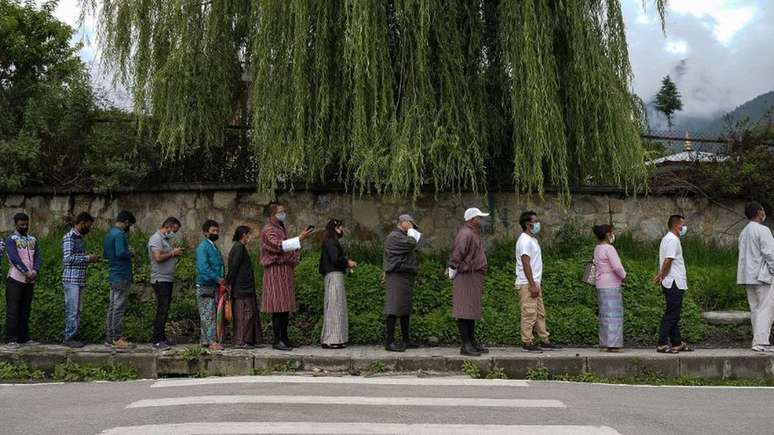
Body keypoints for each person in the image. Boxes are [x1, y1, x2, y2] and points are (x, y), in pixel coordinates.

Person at [260, 203, 314, 351]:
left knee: (285, 307)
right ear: (272, 214)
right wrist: (300, 238)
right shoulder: (268, 230)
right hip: (275, 271)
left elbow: (286, 247)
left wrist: (298, 242)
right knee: (277, 307)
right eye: (281, 211)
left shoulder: (280, 228)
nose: (283, 213)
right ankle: (277, 340)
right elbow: (278, 246)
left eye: (284, 211)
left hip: (284, 271)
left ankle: (284, 338)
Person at [516, 211, 561, 352]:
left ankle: (544, 339)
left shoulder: (532, 240)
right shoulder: (524, 241)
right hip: (528, 284)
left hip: (535, 283)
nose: (538, 223)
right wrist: (532, 285)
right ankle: (527, 342)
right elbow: (526, 263)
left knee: (540, 313)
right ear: (528, 224)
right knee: (529, 313)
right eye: (535, 221)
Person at [448, 208, 489, 356]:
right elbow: (458, 252)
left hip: (472, 274)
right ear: (472, 219)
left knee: (471, 310)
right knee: (464, 310)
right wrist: (452, 267)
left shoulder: (471, 232)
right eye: (478, 217)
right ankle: (466, 345)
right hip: (465, 274)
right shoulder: (465, 233)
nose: (480, 220)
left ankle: (471, 342)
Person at [737, 202, 774, 352]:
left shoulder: (744, 232)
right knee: (766, 308)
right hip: (762, 275)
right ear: (759, 212)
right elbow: (770, 253)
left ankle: (757, 340)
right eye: (763, 210)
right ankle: (761, 341)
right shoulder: (763, 230)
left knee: (756, 309)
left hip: (747, 276)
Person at [654, 214, 692, 353]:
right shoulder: (672, 240)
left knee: (673, 313)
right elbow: (668, 260)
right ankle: (662, 343)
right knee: (671, 314)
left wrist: (661, 275)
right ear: (676, 225)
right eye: (682, 224)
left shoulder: (668, 239)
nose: (684, 227)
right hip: (674, 282)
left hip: (671, 281)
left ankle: (677, 343)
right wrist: (661, 275)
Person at [383, 214, 422, 352]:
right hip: (396, 275)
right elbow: (412, 243)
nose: (412, 227)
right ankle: (389, 342)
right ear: (403, 222)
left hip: (405, 276)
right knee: (393, 308)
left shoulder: (402, 237)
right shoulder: (393, 237)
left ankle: (406, 339)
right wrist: (411, 231)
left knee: (405, 308)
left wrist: (411, 231)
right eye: (410, 224)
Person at [62, 212, 100, 348]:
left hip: (79, 279)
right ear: (82, 222)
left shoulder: (79, 238)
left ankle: (74, 335)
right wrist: (87, 258)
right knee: (72, 310)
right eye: (89, 225)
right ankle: (69, 337)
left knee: (78, 310)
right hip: (71, 279)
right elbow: (67, 259)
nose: (89, 228)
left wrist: (89, 259)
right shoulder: (69, 237)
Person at [318, 219, 357, 349]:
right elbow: (335, 259)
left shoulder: (330, 241)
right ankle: (331, 339)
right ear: (335, 228)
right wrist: (347, 262)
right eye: (341, 227)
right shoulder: (331, 242)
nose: (342, 230)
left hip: (333, 275)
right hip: (334, 275)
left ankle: (336, 338)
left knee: (336, 306)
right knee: (334, 306)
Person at [4, 213, 41, 348]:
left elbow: (37, 256)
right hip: (15, 278)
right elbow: (14, 258)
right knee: (13, 310)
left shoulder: (33, 239)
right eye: (22, 225)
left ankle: (23, 338)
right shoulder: (11, 239)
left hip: (30, 279)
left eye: (26, 224)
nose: (25, 227)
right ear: (16, 224)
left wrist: (35, 270)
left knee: (26, 309)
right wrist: (26, 272)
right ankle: (10, 339)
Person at [148, 217, 184, 350]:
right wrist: (173, 253)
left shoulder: (164, 239)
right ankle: (157, 340)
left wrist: (172, 253)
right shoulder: (156, 238)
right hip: (160, 279)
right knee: (162, 309)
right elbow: (157, 257)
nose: (174, 233)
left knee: (165, 308)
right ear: (168, 227)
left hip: (167, 279)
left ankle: (162, 337)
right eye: (174, 230)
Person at [103, 210, 136, 350]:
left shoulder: (110, 233)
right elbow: (121, 252)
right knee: (118, 307)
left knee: (112, 307)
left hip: (113, 273)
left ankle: (110, 338)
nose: (130, 227)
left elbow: (106, 254)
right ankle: (117, 338)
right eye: (130, 224)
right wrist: (131, 253)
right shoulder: (120, 234)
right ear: (126, 222)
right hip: (121, 274)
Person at [592, 224, 627, 352]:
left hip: (600, 283)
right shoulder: (609, 248)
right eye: (612, 232)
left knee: (604, 315)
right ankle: (614, 344)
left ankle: (604, 343)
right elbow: (617, 266)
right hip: (611, 283)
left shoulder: (597, 248)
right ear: (608, 234)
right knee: (614, 314)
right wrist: (624, 275)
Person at [227, 225, 262, 348]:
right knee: (244, 315)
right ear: (244, 235)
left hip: (243, 288)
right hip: (241, 289)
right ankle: (241, 341)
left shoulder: (239, 248)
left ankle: (244, 340)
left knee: (246, 314)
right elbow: (234, 268)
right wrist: (229, 283)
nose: (250, 238)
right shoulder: (239, 248)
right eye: (249, 235)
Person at [196, 219, 225, 351]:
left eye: (217, 231)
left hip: (213, 284)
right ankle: (212, 342)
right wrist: (217, 278)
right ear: (205, 232)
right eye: (213, 231)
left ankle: (205, 341)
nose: (216, 233)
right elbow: (203, 268)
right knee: (209, 314)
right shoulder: (203, 247)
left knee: (210, 312)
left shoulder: (213, 246)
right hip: (205, 284)